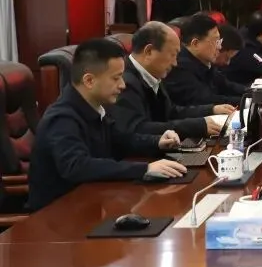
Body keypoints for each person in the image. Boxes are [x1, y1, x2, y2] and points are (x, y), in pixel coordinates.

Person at [27, 39, 186, 211]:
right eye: (116, 78)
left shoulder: (96, 107)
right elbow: (77, 166)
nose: (123, 85)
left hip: (92, 203)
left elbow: (120, 140)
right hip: (58, 216)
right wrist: (144, 169)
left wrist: (157, 142)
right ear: (89, 80)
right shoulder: (61, 119)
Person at [112, 22, 232, 140]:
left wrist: (212, 110)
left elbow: (171, 112)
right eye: (172, 55)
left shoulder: (153, 74)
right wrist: (196, 126)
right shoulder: (124, 83)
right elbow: (138, 128)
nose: (175, 63)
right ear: (149, 51)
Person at [165, 14, 247, 107]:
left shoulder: (203, 62)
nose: (219, 47)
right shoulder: (179, 66)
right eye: (215, 41)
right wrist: (247, 102)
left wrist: (252, 92)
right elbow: (205, 99)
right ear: (195, 43)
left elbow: (226, 85)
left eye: (219, 41)